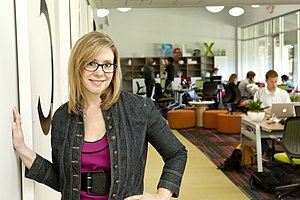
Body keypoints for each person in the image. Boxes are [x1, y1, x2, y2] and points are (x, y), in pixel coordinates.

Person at [12, 32, 187, 200]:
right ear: (77, 67)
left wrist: (161, 196)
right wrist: (23, 150)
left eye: (107, 64)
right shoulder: (62, 117)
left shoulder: (139, 108)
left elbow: (176, 153)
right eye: (91, 63)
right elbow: (63, 181)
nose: (100, 72)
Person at [253, 69, 291, 160]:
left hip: (280, 120)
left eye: (275, 82)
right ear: (266, 81)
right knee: (258, 130)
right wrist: (266, 113)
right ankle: (265, 151)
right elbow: (255, 109)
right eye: (271, 82)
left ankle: (291, 152)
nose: (274, 84)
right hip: (264, 120)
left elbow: (289, 108)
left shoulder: (283, 93)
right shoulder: (259, 93)